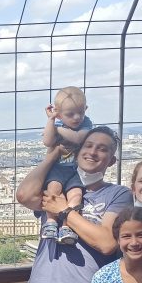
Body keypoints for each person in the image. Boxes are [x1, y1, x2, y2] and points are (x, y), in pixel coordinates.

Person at [16, 126, 133, 283]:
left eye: (102, 149)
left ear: (112, 161)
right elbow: (24, 195)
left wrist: (63, 210)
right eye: (88, 146)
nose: (93, 152)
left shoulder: (118, 194)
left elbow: (107, 243)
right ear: (77, 152)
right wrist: (53, 156)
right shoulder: (55, 188)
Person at [40, 86, 93, 245]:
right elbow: (47, 141)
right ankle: (51, 222)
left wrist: (58, 127)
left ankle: (67, 225)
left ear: (86, 109)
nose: (77, 118)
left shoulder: (86, 123)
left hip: (75, 170)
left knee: (76, 194)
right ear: (58, 112)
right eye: (70, 114)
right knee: (53, 190)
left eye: (80, 113)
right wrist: (51, 120)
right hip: (57, 168)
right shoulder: (56, 122)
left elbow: (77, 138)